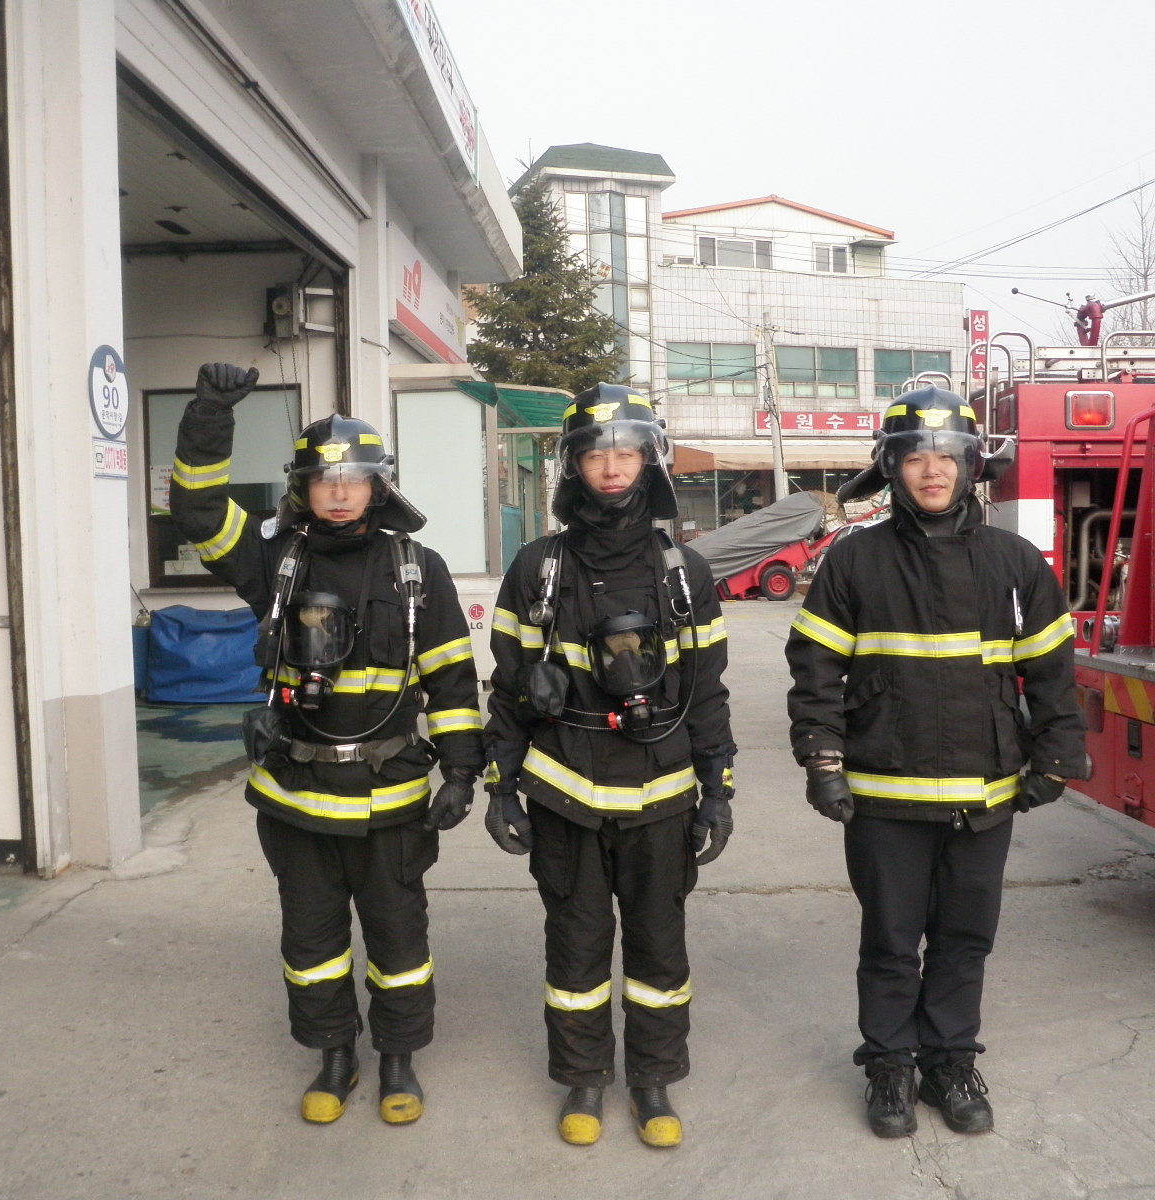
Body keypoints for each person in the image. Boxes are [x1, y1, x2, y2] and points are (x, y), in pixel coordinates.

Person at [170, 363, 482, 1126]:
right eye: (323, 481)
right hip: (297, 798)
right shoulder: (274, 562)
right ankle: (334, 1055)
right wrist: (209, 416)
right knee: (311, 941)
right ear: (303, 489)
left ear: (378, 487)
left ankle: (398, 1059)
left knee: (398, 939)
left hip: (391, 800)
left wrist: (461, 773)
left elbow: (450, 678)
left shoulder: (419, 570)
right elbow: (198, 510)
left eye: (353, 480)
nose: (339, 493)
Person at [784, 386, 1086, 1139]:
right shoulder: (855, 560)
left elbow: (1052, 670)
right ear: (890, 467)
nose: (932, 470)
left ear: (971, 465)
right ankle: (889, 1064)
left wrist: (1056, 754)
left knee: (963, 940)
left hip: (985, 792)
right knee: (891, 941)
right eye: (915, 456)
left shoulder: (1014, 562)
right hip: (884, 793)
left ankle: (949, 1062)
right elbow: (815, 669)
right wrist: (822, 757)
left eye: (947, 456)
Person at [483, 384, 735, 1149]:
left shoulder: (686, 574)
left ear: (650, 462)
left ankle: (653, 1079)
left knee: (659, 947)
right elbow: (507, 689)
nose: (613, 467)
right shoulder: (537, 569)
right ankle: (584, 1077)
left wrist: (717, 791)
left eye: (627, 452)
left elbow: (708, 694)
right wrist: (501, 787)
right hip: (566, 798)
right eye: (597, 454)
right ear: (575, 466)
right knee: (576, 946)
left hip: (662, 800)